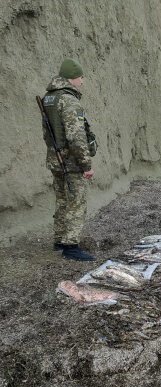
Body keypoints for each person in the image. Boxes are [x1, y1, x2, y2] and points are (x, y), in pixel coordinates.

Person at [41, 58, 97, 261]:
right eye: (81, 77)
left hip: (55, 158)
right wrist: (86, 165)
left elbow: (47, 132)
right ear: (72, 78)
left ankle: (59, 239)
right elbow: (76, 136)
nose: (82, 81)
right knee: (76, 201)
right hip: (71, 162)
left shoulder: (49, 98)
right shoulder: (69, 100)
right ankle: (71, 246)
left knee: (62, 200)